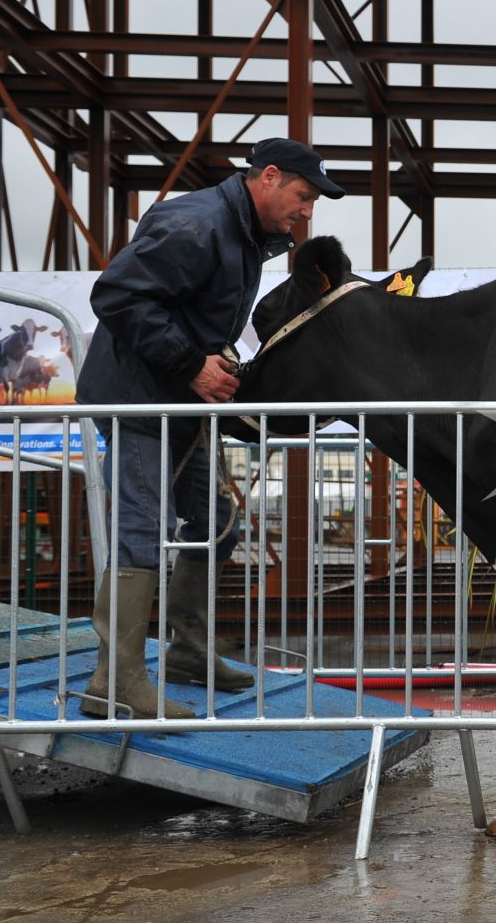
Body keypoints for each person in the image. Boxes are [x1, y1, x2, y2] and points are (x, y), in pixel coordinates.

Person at [75, 137, 343, 719]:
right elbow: (117, 295)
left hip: (177, 400)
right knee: (141, 532)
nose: (308, 210)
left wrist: (213, 365)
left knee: (215, 524)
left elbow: (190, 312)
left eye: (314, 201)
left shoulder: (245, 235)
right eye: (303, 195)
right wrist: (192, 364)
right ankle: (114, 681)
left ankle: (189, 653)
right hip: (138, 400)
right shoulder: (197, 224)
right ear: (268, 177)